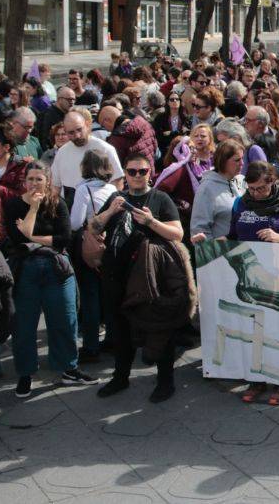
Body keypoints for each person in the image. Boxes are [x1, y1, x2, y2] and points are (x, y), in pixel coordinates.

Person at [89, 152, 184, 402]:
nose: (137, 176)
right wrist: (110, 212)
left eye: (142, 171)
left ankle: (165, 381)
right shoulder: (116, 197)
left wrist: (151, 222)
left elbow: (177, 233)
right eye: (132, 172)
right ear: (125, 174)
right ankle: (120, 377)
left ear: (150, 172)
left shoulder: (160, 198)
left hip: (151, 275)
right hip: (117, 274)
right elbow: (93, 227)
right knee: (119, 329)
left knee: (158, 326)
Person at [3, 161, 94, 397]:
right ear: (25, 181)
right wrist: (32, 209)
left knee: (65, 319)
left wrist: (31, 235)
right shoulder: (13, 205)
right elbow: (16, 239)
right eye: (30, 179)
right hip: (25, 270)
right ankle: (25, 374)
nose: (34, 184)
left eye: (39, 179)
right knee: (24, 326)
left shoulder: (57, 203)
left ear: (47, 181)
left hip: (57, 268)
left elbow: (64, 238)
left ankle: (68, 368)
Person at [228, 161, 279, 406]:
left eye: (261, 189)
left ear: (272, 183)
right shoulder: (242, 203)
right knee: (255, 328)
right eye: (251, 188)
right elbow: (232, 235)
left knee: (278, 328)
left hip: (278, 275)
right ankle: (257, 379)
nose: (255, 193)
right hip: (249, 277)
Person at [69, 150, 118, 363]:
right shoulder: (113, 189)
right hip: (110, 247)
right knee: (109, 295)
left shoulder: (83, 189)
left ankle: (90, 346)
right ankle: (112, 339)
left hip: (89, 248)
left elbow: (74, 222)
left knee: (90, 297)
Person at [50, 110, 124, 208]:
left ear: (88, 125)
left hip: (98, 207)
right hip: (68, 206)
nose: (77, 135)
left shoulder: (105, 149)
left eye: (79, 129)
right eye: (71, 132)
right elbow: (56, 186)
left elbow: (117, 182)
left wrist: (108, 211)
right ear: (66, 131)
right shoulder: (62, 152)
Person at [190, 139, 246, 244]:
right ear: (223, 161)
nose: (242, 163)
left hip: (249, 251)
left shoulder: (243, 181)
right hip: (223, 254)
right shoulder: (206, 189)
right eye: (237, 160)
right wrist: (214, 252)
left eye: (242, 158)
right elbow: (199, 229)